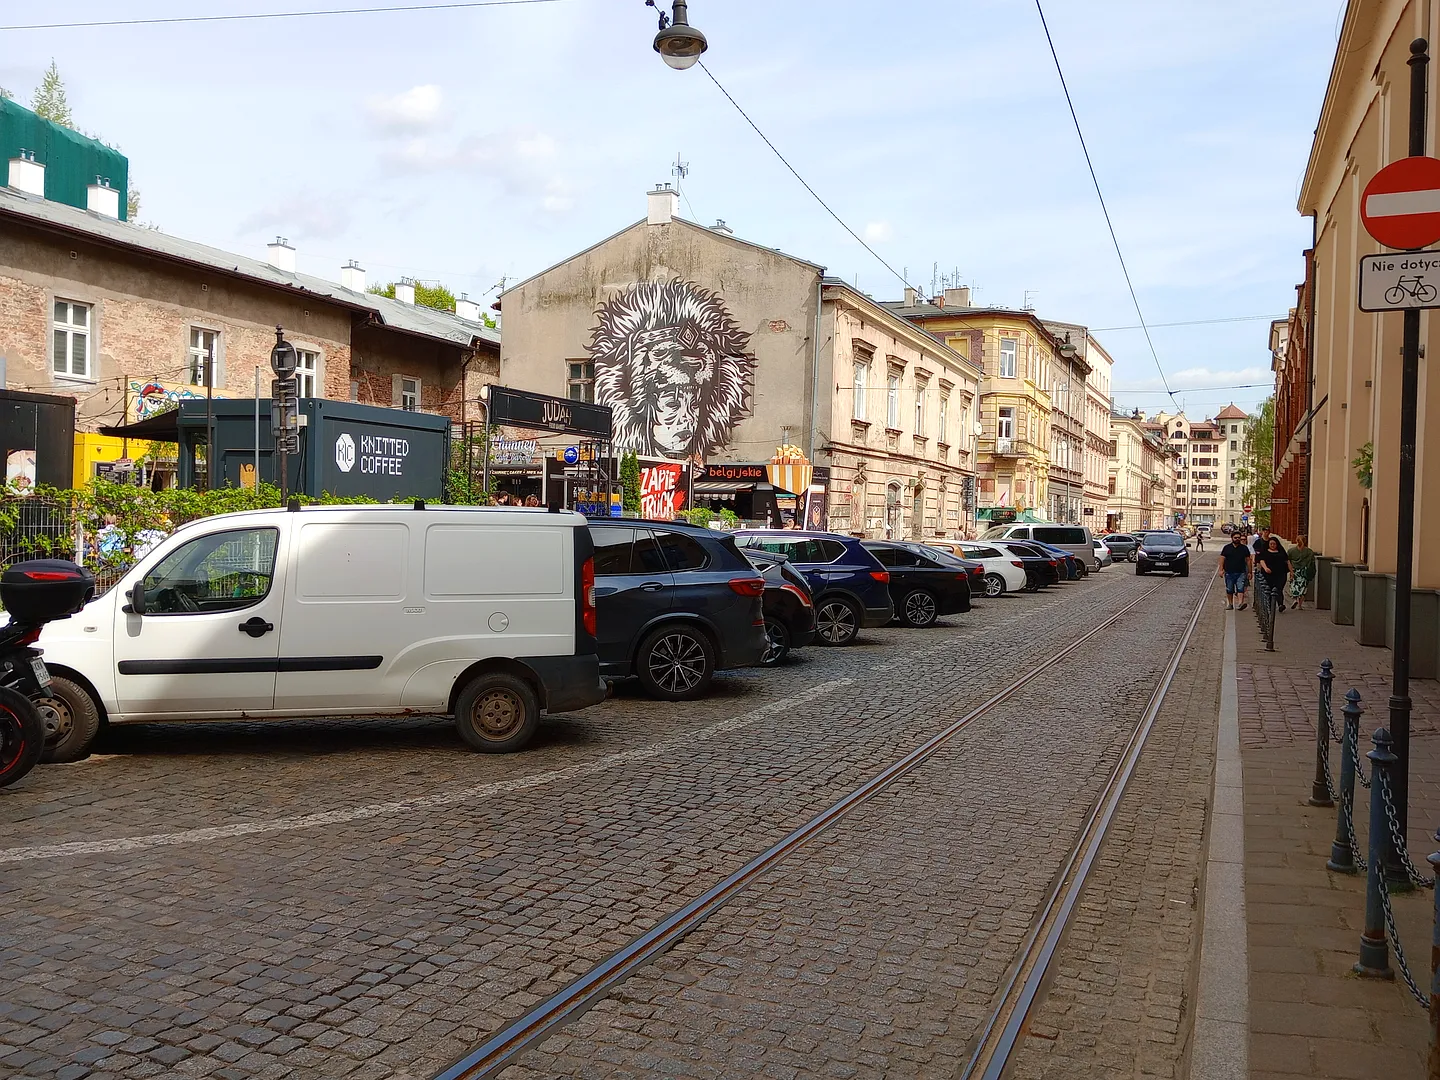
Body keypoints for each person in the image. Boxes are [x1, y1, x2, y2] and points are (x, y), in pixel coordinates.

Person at [1218, 531, 1253, 611]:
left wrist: (1250, 572)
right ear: (1232, 538)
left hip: (1241, 572)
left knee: (1240, 588)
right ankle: (1230, 604)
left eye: (1238, 538)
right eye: (1235, 538)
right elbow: (1222, 558)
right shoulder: (1227, 548)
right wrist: (1221, 569)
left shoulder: (1244, 548)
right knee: (1229, 589)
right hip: (1229, 572)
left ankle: (1240, 603)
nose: (1237, 539)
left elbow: (1248, 560)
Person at [1257, 535, 1292, 613]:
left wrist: (1291, 572)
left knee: (1279, 589)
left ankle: (1280, 604)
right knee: (1269, 590)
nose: (1272, 545)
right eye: (1271, 544)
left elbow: (1287, 561)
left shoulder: (1281, 552)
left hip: (1280, 574)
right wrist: (1265, 568)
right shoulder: (1265, 552)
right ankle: (1269, 606)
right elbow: (1261, 560)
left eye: (1274, 544)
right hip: (1268, 574)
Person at [1289, 533, 1316, 611]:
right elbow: (1311, 563)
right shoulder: (1309, 551)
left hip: (1295, 571)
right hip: (1304, 571)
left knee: (1295, 586)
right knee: (1303, 588)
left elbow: (1288, 560)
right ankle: (1300, 605)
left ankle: (1295, 599)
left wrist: (1291, 571)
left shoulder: (1291, 551)